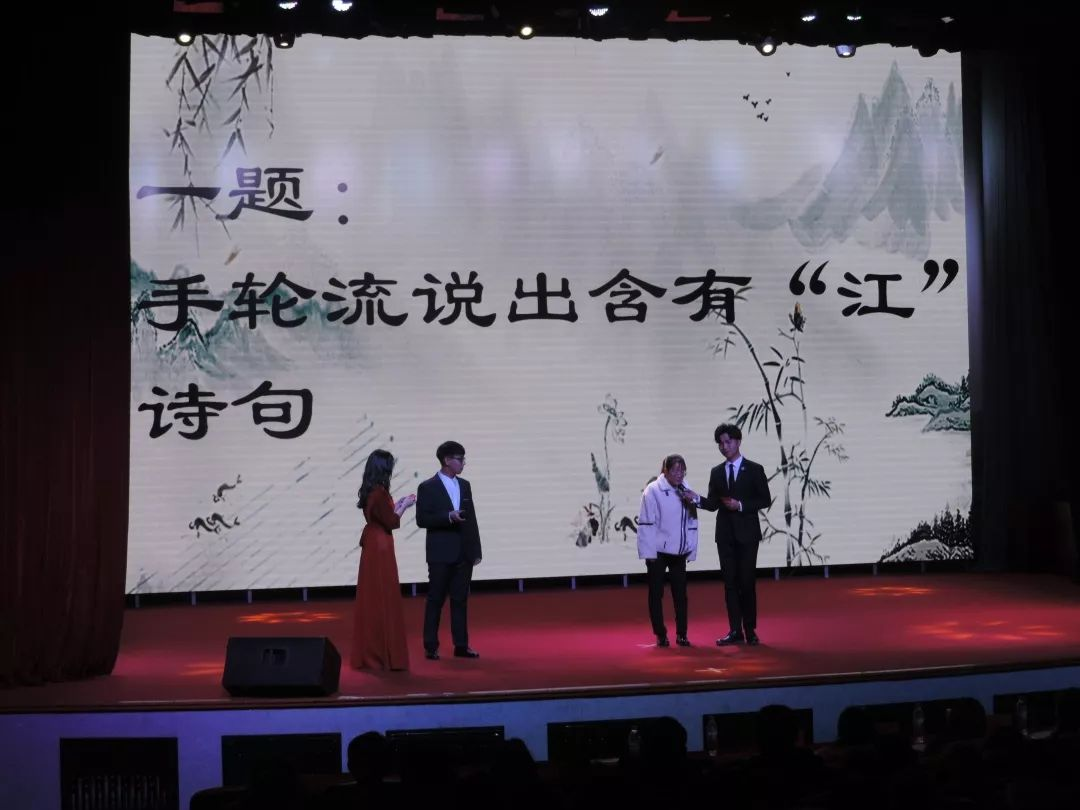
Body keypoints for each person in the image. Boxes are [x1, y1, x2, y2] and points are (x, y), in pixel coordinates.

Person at [682, 423, 772, 646]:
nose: (724, 447)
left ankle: (750, 630)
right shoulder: (717, 472)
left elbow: (764, 500)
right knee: (730, 583)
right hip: (725, 535)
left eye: (728, 442)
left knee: (747, 583)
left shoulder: (754, 469)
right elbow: (713, 504)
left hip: (748, 535)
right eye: (720, 443)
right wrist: (696, 499)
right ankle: (735, 631)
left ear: (738, 442)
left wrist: (740, 505)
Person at [415, 440, 482, 660]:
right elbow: (422, 519)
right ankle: (431, 646)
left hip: (463, 552)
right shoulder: (427, 487)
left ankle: (461, 645)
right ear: (446, 460)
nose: (463, 463)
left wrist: (476, 550)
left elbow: (471, 520)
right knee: (435, 599)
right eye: (460, 459)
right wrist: (448, 517)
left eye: (463, 459)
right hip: (440, 553)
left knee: (460, 600)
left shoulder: (465, 485)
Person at [350, 449, 415, 670]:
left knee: (373, 596)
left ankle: (373, 652)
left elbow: (384, 515)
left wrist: (398, 505)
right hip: (380, 547)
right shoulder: (379, 493)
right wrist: (405, 506)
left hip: (373, 543)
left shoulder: (371, 490)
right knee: (382, 595)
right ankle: (380, 654)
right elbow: (392, 521)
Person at [637, 454, 699, 647]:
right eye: (675, 470)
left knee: (680, 595)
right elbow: (646, 523)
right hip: (658, 552)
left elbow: (692, 521)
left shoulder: (686, 489)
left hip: (679, 551)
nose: (679, 474)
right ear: (665, 471)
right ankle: (660, 634)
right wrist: (648, 553)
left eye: (682, 470)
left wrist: (691, 548)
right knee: (656, 594)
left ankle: (682, 634)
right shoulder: (653, 490)